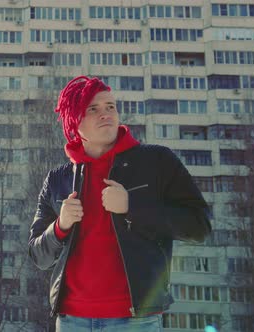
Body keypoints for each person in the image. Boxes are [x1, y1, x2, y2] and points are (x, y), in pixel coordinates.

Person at [28, 76, 212, 331]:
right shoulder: (58, 179)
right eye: (93, 109)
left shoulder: (157, 162)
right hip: (71, 320)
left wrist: (132, 207)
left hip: (136, 321)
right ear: (74, 122)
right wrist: (60, 226)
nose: (105, 114)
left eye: (110, 106)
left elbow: (199, 226)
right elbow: (38, 256)